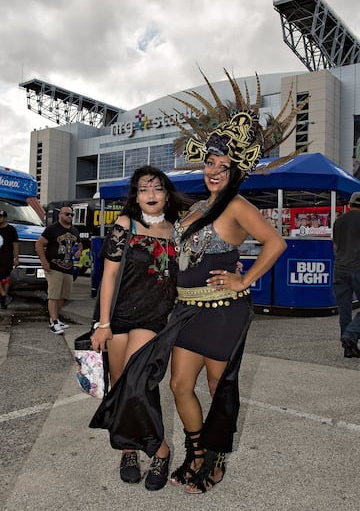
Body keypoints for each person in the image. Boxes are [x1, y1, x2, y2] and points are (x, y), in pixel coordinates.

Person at [90, 67, 306, 495]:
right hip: (186, 312)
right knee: (178, 385)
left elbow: (275, 243)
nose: (214, 171)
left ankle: (215, 458)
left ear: (237, 171)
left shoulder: (237, 205)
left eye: (224, 166)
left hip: (224, 311)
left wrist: (244, 281)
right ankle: (196, 452)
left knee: (215, 386)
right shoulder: (191, 210)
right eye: (210, 162)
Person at [90, 165, 190, 491]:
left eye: (157, 188)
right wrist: (103, 323)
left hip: (154, 318)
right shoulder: (124, 226)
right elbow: (108, 276)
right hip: (119, 316)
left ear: (166, 194)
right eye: (144, 189)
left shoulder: (177, 232)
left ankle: (160, 450)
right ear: (136, 195)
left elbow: (185, 276)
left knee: (137, 385)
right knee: (120, 387)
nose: (150, 195)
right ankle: (129, 450)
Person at [35, 206, 82, 334]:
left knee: (64, 296)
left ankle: (54, 318)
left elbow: (79, 243)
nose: (70, 217)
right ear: (60, 215)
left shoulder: (74, 230)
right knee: (54, 295)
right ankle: (54, 322)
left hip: (68, 267)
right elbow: (39, 244)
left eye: (72, 215)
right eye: (67, 214)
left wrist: (79, 252)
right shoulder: (52, 229)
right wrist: (44, 262)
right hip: (54, 266)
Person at [332, 191, 360, 358]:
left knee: (345, 310)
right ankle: (351, 334)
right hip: (358, 268)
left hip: (340, 269)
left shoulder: (339, 221)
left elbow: (335, 246)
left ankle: (348, 348)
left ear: (350, 204)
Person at [0, 209, 19, 309]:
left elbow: (15, 244)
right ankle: (3, 295)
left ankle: (4, 299)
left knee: (5, 278)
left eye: (1, 217)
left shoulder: (11, 230)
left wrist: (16, 258)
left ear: (5, 218)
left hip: (7, 257)